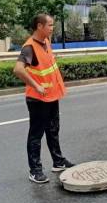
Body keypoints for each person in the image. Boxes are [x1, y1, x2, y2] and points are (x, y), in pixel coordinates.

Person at [13, 13, 74, 184]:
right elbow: (18, 69)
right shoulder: (29, 47)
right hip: (38, 98)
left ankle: (58, 162)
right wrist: (36, 85)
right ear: (40, 26)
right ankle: (35, 170)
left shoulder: (46, 42)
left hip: (51, 96)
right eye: (50, 25)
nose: (52, 28)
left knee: (53, 130)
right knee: (36, 135)